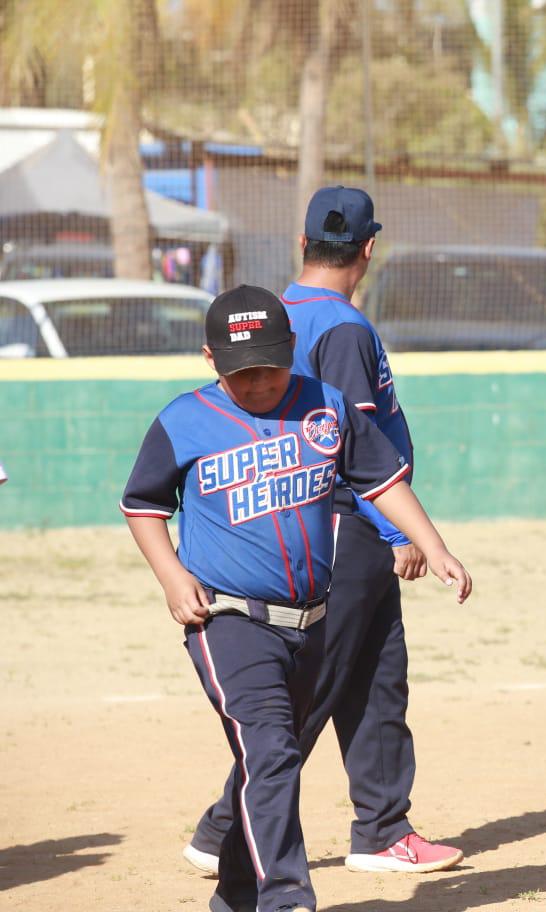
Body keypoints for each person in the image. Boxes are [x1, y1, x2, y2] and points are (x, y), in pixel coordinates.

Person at [122, 285, 472, 912]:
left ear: (291, 352)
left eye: (272, 366)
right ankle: (287, 899)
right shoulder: (184, 419)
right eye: (242, 371)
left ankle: (234, 895)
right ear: (211, 360)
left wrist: (433, 545)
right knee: (273, 750)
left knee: (266, 761)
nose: (259, 383)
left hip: (310, 619)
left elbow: (382, 479)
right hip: (227, 618)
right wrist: (174, 577)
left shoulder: (326, 406)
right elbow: (143, 505)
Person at [182, 187, 465, 876]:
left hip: (315, 521)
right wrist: (399, 535)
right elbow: (355, 444)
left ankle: (382, 825)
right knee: (316, 686)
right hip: (342, 525)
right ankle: (225, 828)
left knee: (373, 676)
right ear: (370, 248)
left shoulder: (278, 315)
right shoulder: (342, 327)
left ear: (303, 245)